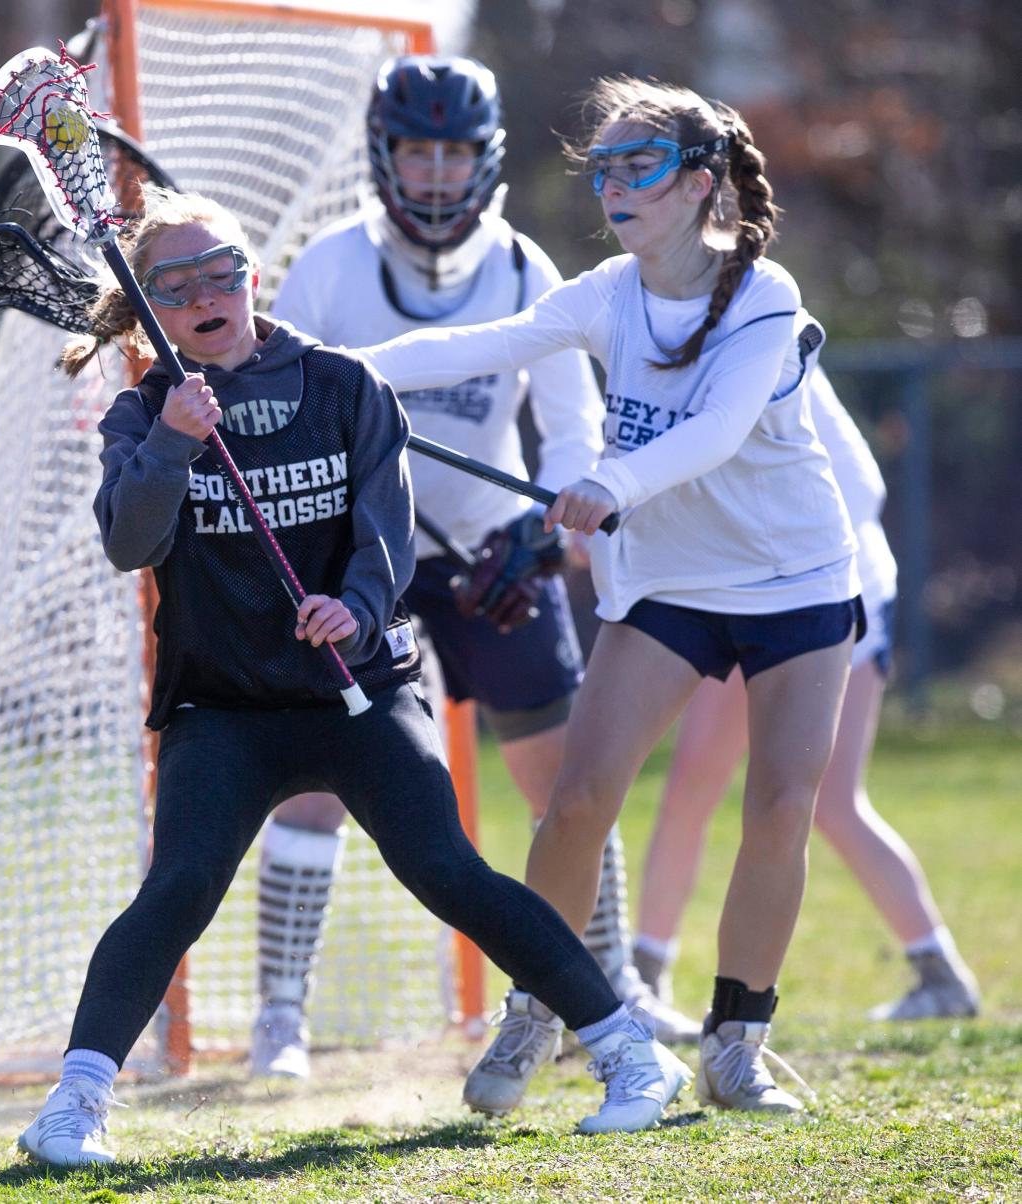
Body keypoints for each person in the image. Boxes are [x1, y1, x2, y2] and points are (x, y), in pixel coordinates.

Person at [14, 185, 693, 1167]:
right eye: (179, 283)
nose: (209, 292)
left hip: (357, 690)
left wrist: (356, 609)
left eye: (224, 271)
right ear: (153, 308)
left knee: (448, 871)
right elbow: (131, 541)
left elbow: (386, 534)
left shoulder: (344, 385)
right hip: (224, 709)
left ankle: (629, 1054)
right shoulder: (143, 412)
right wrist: (172, 441)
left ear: (254, 278)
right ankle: (75, 1104)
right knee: (179, 887)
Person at [357, 75, 867, 1117]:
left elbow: (716, 429)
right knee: (580, 798)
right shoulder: (603, 290)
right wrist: (314, 366)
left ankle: (736, 1045)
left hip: (796, 582)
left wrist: (610, 482)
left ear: (701, 181)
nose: (615, 186)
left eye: (640, 166)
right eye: (604, 169)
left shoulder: (766, 299)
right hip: (670, 585)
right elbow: (472, 346)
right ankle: (540, 1011)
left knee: (780, 804)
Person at [248, 54, 699, 1087]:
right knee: (313, 781)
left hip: (494, 551)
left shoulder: (525, 269)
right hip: (361, 557)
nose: (439, 173)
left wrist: (546, 531)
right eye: (420, 150)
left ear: (484, 159)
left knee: (570, 785)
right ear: (386, 155)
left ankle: (611, 983)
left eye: (455, 152)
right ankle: (281, 1014)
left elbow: (570, 423)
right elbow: (294, 416)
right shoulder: (330, 268)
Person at [632, 365, 980, 1022]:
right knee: (691, 784)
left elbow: (863, 490)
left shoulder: (766, 336)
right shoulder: (670, 342)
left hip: (826, 593)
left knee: (830, 802)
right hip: (748, 587)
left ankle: (939, 974)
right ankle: (644, 978)